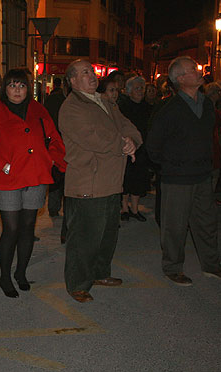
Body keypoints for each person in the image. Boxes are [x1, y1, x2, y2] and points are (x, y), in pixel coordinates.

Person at [147, 56, 221, 286]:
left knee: (207, 223)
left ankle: (212, 265)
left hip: (202, 175)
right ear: (180, 79)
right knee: (174, 226)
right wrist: (171, 166)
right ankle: (173, 267)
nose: (199, 72)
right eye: (193, 70)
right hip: (177, 179)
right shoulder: (169, 109)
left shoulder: (206, 104)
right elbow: (153, 145)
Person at [58, 59, 140, 303]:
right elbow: (92, 138)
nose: (92, 76)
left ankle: (100, 273)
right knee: (84, 238)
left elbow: (127, 125)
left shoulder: (105, 101)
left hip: (112, 181)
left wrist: (133, 140)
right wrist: (122, 144)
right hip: (88, 182)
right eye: (85, 73)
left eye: (92, 71)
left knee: (107, 234)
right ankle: (77, 284)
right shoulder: (71, 107)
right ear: (72, 81)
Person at [0, 68, 66, 298]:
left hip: (35, 176)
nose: (17, 90)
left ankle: (21, 272)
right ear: (4, 88)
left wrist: (52, 162)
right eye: (12, 85)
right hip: (7, 179)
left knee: (28, 227)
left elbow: (54, 139)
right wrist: (3, 165)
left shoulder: (39, 110)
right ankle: (5, 276)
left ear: (28, 89)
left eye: (21, 86)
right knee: (11, 228)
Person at [118, 75, 152, 222]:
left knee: (139, 179)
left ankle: (135, 209)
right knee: (126, 179)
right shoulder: (123, 107)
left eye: (142, 88)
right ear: (129, 91)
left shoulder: (148, 108)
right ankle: (124, 208)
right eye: (137, 88)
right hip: (126, 148)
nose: (140, 91)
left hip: (142, 149)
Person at [44, 77, 67, 219]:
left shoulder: (76, 101)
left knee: (66, 178)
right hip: (54, 144)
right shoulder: (53, 100)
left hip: (69, 144)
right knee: (55, 178)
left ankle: (66, 208)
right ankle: (53, 207)